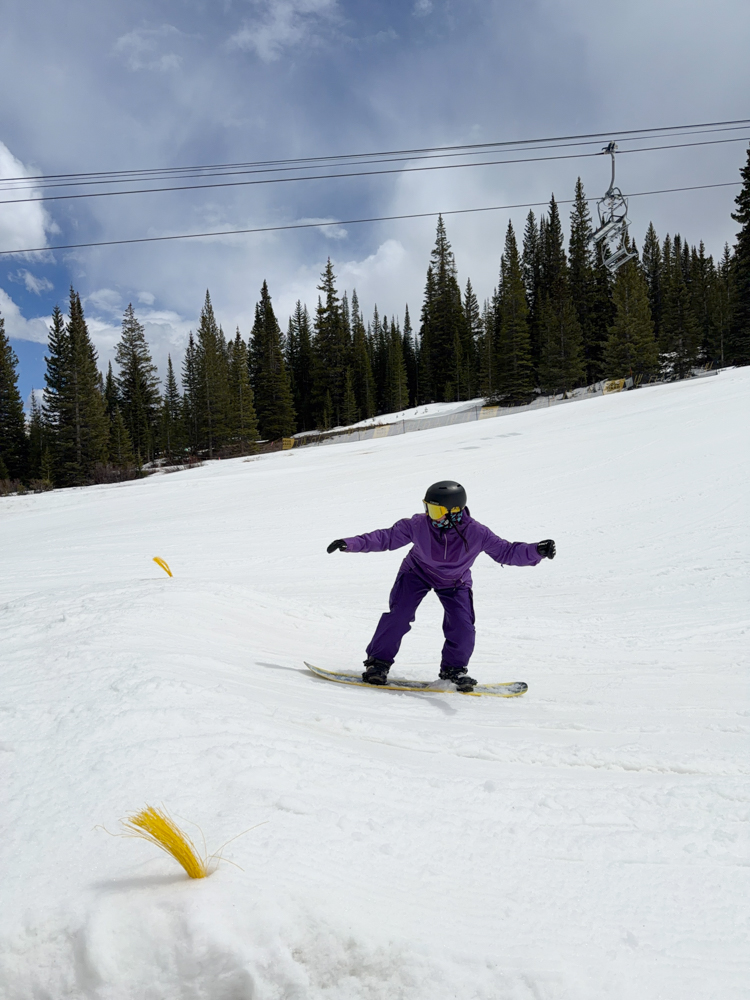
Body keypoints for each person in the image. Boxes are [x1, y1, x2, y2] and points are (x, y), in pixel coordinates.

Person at [326, 480, 555, 691]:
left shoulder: (477, 532)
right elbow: (386, 537)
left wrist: (537, 551)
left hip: (455, 582)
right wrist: (349, 543)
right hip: (417, 573)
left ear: (454, 512)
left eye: (435, 510)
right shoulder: (418, 524)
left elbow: (507, 552)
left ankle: (453, 670)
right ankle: (378, 664)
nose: (429, 514)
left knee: (462, 625)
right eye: (428, 508)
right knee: (399, 615)